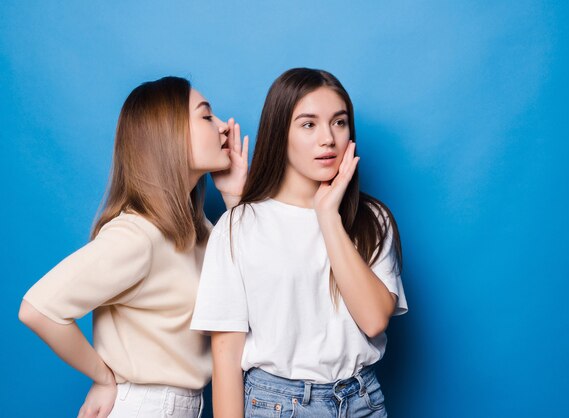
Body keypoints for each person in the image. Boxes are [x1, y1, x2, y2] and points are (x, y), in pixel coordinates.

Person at [18, 76, 248, 418]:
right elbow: (37, 309)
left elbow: (252, 285)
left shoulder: (198, 228)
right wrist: (102, 378)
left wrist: (236, 198)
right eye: (206, 116)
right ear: (168, 135)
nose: (224, 128)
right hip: (145, 406)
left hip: (184, 406)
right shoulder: (139, 234)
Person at [191, 68, 408, 417]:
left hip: (362, 401)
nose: (328, 139)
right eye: (309, 124)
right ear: (280, 134)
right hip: (277, 404)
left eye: (339, 122)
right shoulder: (238, 226)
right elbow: (226, 358)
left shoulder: (372, 219)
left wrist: (328, 218)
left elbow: (373, 320)